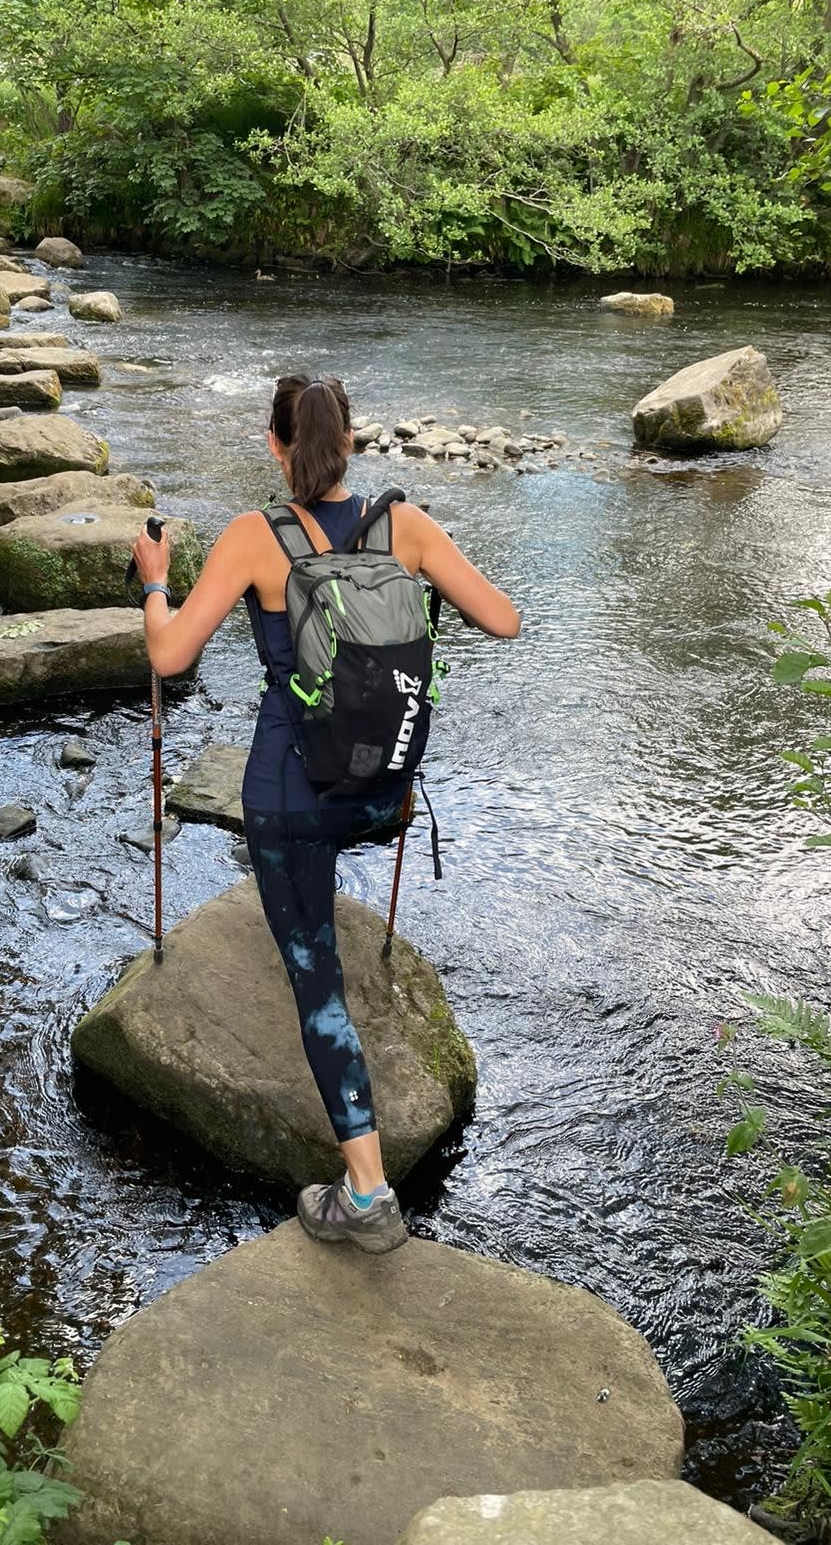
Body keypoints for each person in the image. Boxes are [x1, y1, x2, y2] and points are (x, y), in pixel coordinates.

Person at [131, 373, 520, 1254]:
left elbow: (168, 653)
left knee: (317, 979)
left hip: (292, 797)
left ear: (276, 445)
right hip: (381, 788)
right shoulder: (406, 526)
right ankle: (369, 1177)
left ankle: (370, 1192)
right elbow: (504, 620)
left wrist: (155, 579)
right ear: (351, 443)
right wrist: (414, 599)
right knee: (321, 936)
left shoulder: (253, 538)